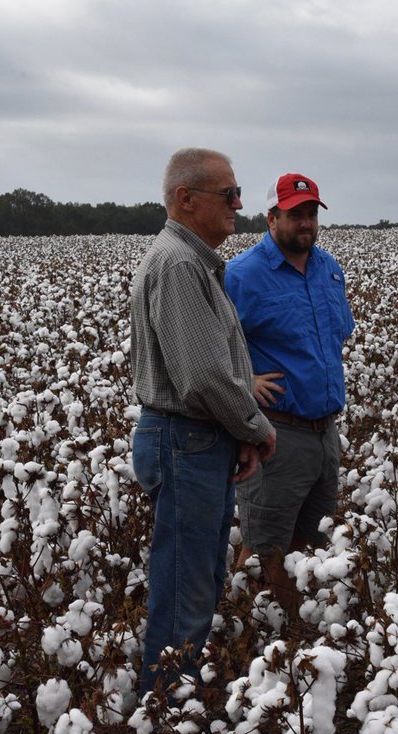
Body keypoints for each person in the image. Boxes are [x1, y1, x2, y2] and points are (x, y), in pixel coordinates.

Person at [129, 147, 277, 695]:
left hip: (193, 440)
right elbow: (202, 377)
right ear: (186, 200)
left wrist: (234, 433)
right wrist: (255, 428)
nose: (240, 205)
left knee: (199, 582)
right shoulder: (179, 264)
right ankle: (164, 729)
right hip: (183, 441)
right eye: (229, 195)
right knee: (183, 595)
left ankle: (172, 710)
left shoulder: (190, 262)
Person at [224, 173, 355, 623]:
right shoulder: (241, 275)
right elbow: (205, 347)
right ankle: (263, 631)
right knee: (266, 544)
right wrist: (244, 382)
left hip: (324, 432)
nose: (306, 222)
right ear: (271, 217)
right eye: (295, 213)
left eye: (311, 213)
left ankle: (277, 621)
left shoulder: (328, 269)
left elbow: (338, 335)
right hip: (276, 432)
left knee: (311, 539)